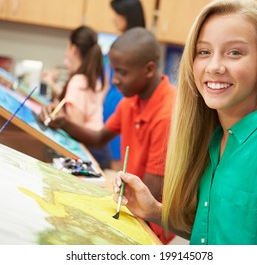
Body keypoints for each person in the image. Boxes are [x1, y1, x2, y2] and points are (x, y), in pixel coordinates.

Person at [113, 0, 257, 245]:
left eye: (235, 53)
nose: (215, 66)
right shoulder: (214, 139)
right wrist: (152, 209)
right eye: (204, 51)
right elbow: (214, 233)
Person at [43, 27, 177, 244]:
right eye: (113, 71)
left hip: (149, 223)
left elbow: (149, 194)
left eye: (122, 72)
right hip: (128, 202)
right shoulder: (129, 102)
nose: (114, 80)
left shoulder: (167, 113)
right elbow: (98, 138)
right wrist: (64, 122)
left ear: (149, 69)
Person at [43, 26, 110, 169]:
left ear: (74, 49)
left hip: (88, 148)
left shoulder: (78, 81)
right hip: (98, 148)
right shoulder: (91, 79)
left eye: (67, 47)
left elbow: (76, 125)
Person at [104, 0, 147, 170]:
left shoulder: (140, 44)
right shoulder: (119, 42)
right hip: (114, 104)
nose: (114, 19)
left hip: (127, 104)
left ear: (128, 15)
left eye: (117, 14)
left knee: (121, 161)